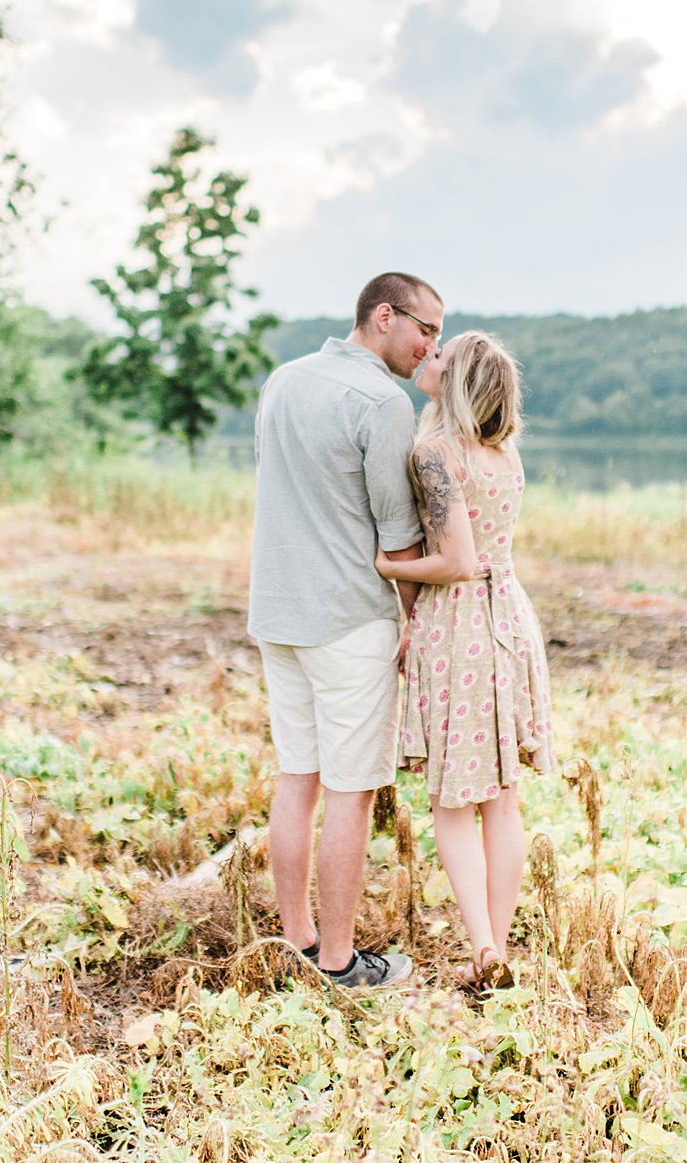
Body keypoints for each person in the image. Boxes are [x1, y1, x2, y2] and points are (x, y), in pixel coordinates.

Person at [248, 271, 445, 991]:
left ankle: (297, 938)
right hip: (346, 620)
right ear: (384, 315)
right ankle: (338, 961)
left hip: (277, 610)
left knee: (297, 775)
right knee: (352, 790)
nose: (432, 346)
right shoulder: (382, 402)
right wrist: (421, 610)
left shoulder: (284, 379)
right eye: (426, 328)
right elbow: (397, 542)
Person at [375, 330, 556, 989]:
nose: (430, 357)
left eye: (441, 357)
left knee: (454, 802)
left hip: (461, 628)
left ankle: (482, 946)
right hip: (508, 616)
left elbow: (456, 561)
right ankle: (498, 942)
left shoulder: (434, 453)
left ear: (453, 382)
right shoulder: (504, 455)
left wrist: (387, 563)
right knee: (502, 801)